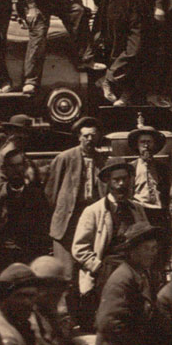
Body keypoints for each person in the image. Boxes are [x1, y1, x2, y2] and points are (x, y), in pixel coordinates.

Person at [71, 157, 149, 328]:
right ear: (108, 182)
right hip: (105, 271)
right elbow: (79, 248)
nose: (121, 184)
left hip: (133, 268)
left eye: (125, 179)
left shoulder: (137, 209)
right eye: (116, 180)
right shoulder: (94, 211)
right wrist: (98, 268)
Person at [44, 117, 107, 303]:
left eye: (93, 136)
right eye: (86, 136)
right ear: (79, 137)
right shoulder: (65, 158)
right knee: (66, 271)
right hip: (68, 220)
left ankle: (86, 314)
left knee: (91, 267)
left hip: (91, 219)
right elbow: (51, 192)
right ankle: (65, 316)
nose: (90, 139)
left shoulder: (101, 160)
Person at [128, 126, 171, 224]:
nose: (146, 146)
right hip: (139, 211)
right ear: (137, 145)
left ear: (155, 145)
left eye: (149, 142)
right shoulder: (131, 168)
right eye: (142, 142)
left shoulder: (162, 168)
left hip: (159, 212)